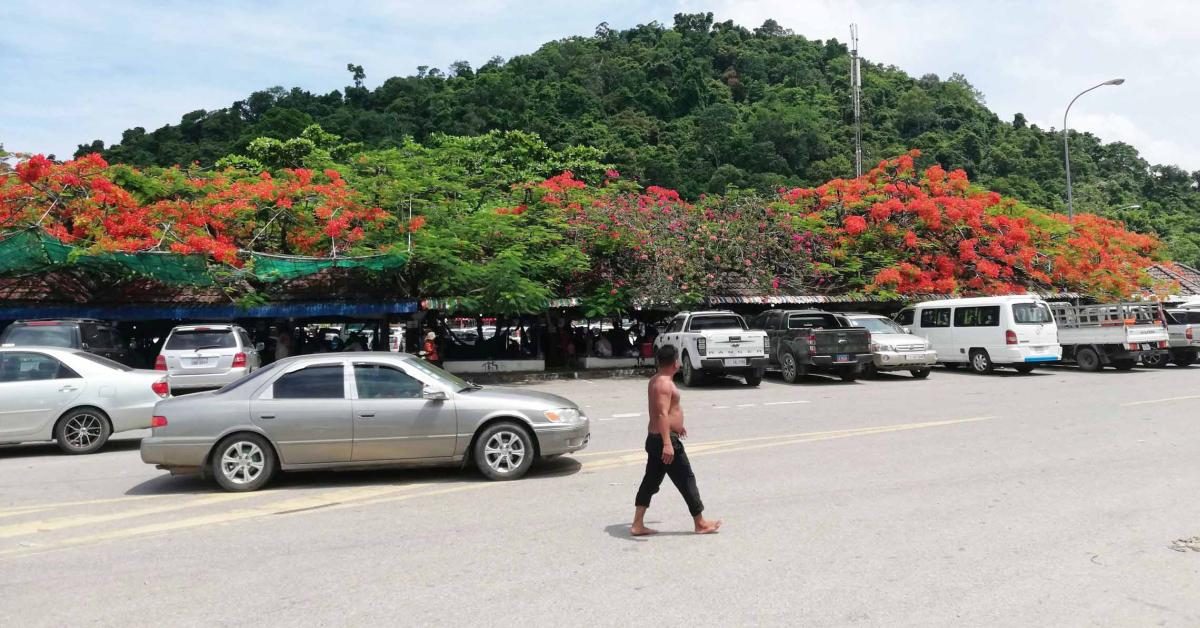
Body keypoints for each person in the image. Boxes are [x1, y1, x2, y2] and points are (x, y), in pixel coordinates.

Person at [631, 344, 722, 536]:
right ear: (674, 363)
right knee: (686, 479)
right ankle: (700, 523)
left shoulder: (656, 380)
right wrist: (667, 443)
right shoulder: (664, 384)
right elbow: (662, 415)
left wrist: (677, 426)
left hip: (657, 438)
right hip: (664, 441)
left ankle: (637, 524)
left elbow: (664, 413)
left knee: (650, 482)